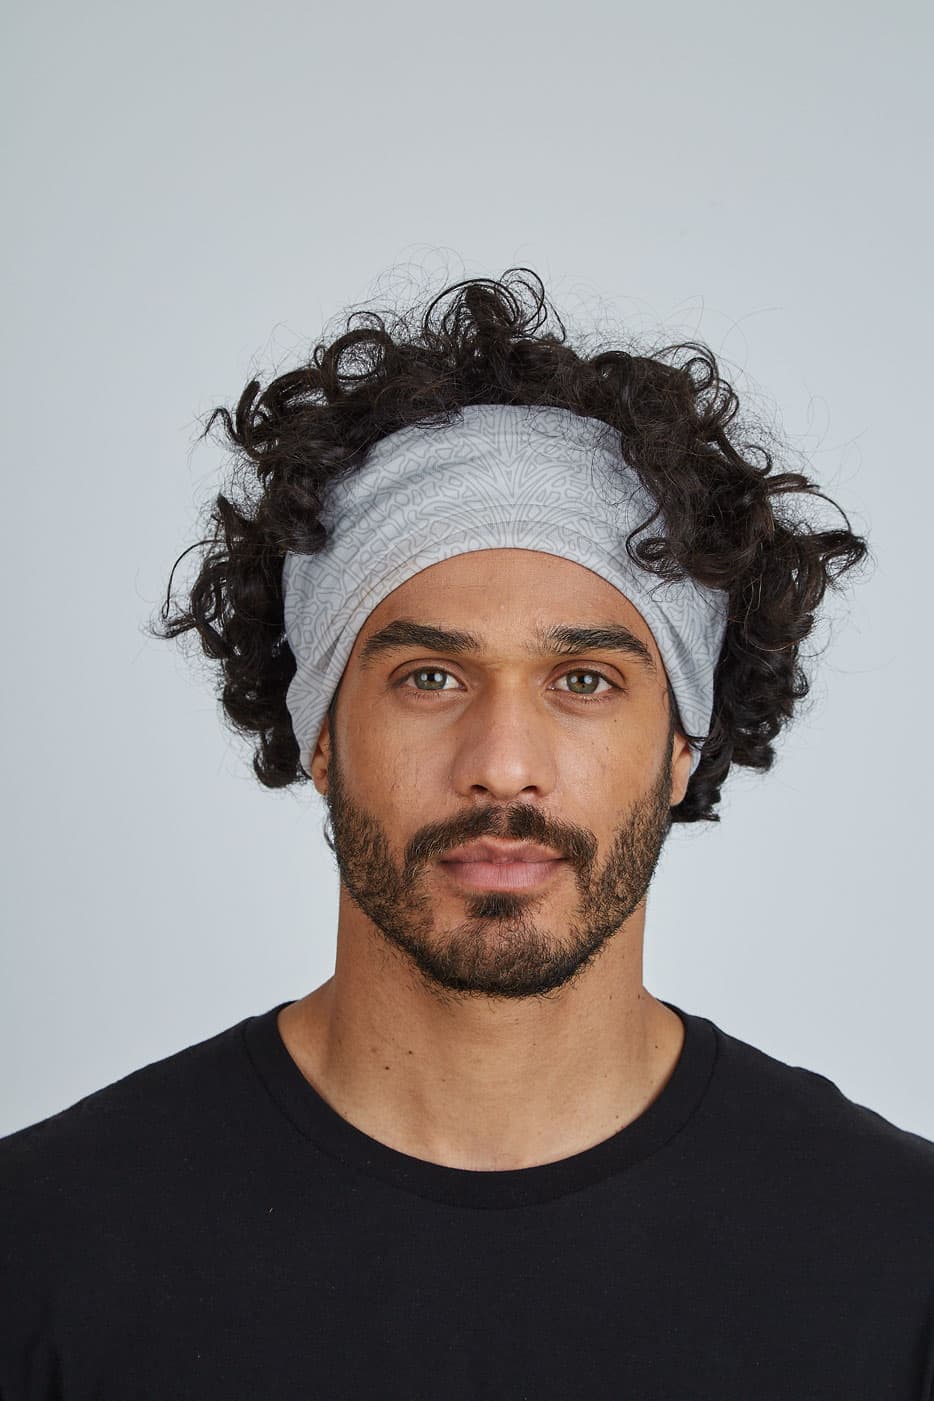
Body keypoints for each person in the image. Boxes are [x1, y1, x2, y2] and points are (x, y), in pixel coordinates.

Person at [2, 269, 932, 1400]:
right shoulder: (42, 1248)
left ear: (681, 743)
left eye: (584, 680)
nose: (502, 762)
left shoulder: (897, 1261)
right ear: (321, 732)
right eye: (430, 677)